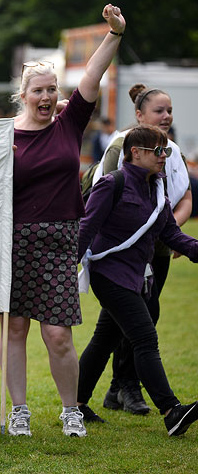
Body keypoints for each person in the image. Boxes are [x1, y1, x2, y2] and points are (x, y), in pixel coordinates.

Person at [3, 4, 126, 437]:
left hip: (59, 242)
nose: (46, 97)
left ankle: (70, 409)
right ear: (23, 95)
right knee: (13, 329)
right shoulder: (3, 137)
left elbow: (91, 77)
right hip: (13, 242)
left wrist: (114, 34)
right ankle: (19, 411)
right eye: (38, 90)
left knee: (57, 334)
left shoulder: (68, 123)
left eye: (52, 89)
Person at [76, 125, 198, 436]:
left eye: (166, 151)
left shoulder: (157, 186)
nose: (164, 157)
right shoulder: (111, 184)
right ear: (136, 153)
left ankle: (75, 404)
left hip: (135, 276)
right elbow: (86, 229)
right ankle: (171, 411)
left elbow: (170, 233)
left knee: (104, 340)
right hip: (109, 275)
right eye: (158, 151)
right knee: (144, 337)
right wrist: (65, 269)